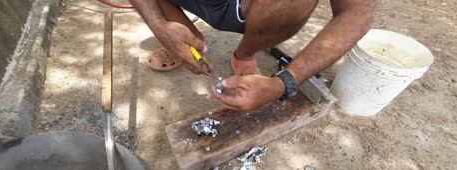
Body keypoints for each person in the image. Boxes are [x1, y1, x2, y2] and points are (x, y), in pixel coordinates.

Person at [129, 0, 376, 111]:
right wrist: (159, 24)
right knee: (170, 27)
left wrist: (284, 82)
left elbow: (358, 12)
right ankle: (188, 41)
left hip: (242, 7)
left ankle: (244, 53)